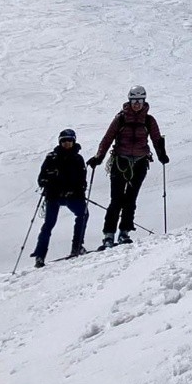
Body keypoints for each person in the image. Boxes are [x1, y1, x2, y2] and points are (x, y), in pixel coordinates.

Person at [88, 85, 168, 248]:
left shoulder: (149, 120)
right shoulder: (121, 119)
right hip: (121, 162)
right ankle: (109, 234)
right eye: (134, 101)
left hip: (139, 163)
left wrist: (162, 155)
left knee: (130, 199)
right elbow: (108, 138)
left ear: (144, 101)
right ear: (130, 101)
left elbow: (157, 139)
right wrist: (99, 157)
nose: (137, 104)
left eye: (139, 101)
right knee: (116, 200)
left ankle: (124, 232)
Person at [31, 128, 89, 266]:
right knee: (49, 224)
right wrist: (48, 184)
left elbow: (82, 181)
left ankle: (76, 247)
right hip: (55, 196)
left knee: (82, 215)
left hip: (70, 196)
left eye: (69, 140)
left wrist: (76, 191)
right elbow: (41, 178)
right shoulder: (52, 158)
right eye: (64, 141)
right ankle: (40, 256)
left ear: (73, 141)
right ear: (60, 142)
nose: (66, 143)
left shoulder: (76, 159)